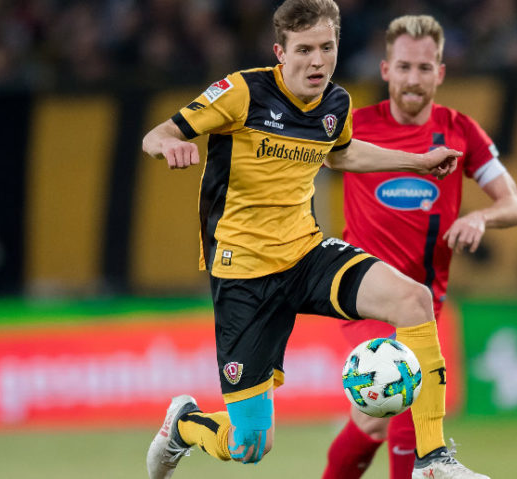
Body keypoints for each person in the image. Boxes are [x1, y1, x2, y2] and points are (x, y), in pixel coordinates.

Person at [141, 1, 489, 478]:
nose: (318, 61)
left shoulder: (335, 103)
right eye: (305, 50)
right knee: (249, 445)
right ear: (280, 52)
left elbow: (340, 155)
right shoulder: (241, 92)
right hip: (243, 274)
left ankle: (433, 461)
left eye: (328, 48)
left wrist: (416, 161)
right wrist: (170, 144)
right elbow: (157, 134)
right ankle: (185, 427)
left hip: (306, 253)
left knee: (413, 299)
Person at [322, 15, 517, 479]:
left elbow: (514, 205)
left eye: (424, 67)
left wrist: (480, 216)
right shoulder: (354, 129)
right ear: (385, 70)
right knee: (401, 388)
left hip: (425, 299)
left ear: (440, 72)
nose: (413, 78)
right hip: (365, 293)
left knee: (373, 419)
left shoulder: (460, 131)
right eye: (404, 67)